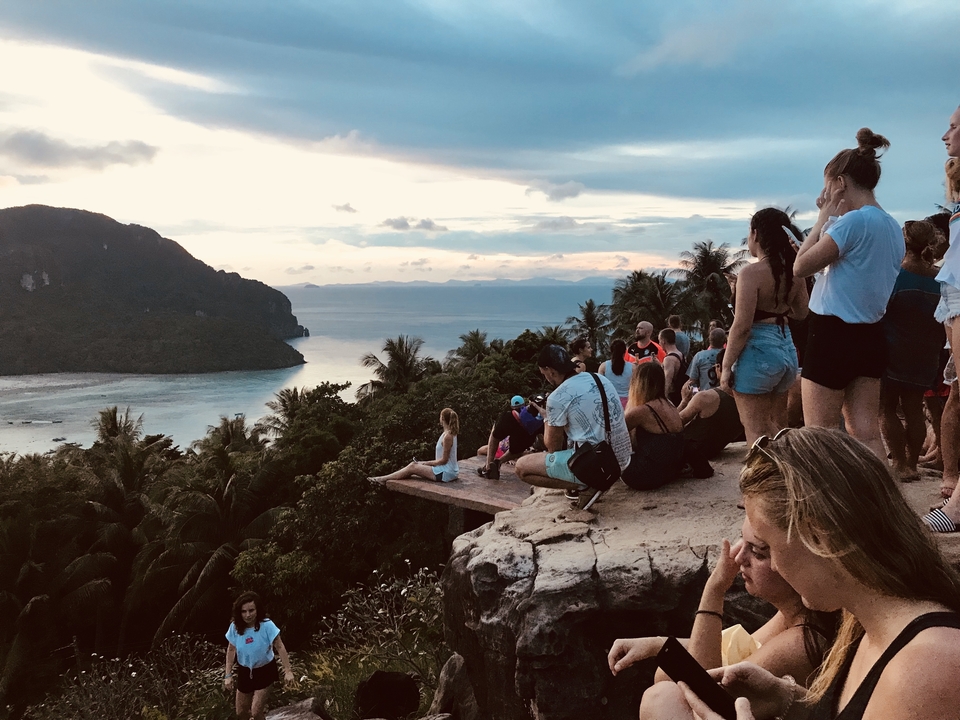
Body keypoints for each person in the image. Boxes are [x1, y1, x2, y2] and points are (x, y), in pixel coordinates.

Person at [648, 427, 960, 720]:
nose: (777, 566)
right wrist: (789, 699)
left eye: (766, 548)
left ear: (819, 538)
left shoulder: (925, 668)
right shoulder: (866, 621)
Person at [610, 517, 837, 688]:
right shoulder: (793, 613)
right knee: (666, 675)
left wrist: (714, 589)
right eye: (742, 541)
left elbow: (705, 689)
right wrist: (657, 644)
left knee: (660, 697)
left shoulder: (801, 642)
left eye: (757, 552)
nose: (738, 558)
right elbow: (731, 650)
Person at [794, 128, 905, 460]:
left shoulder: (852, 224)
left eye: (827, 184)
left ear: (840, 182)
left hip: (831, 333)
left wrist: (822, 218)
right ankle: (880, 505)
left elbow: (801, 267)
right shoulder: (892, 227)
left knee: (819, 434)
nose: (825, 192)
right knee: (866, 431)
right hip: (871, 333)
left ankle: (827, 509)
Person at [721, 208, 809, 445]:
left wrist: (727, 365)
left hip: (758, 352)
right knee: (777, 426)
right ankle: (783, 477)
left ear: (756, 234)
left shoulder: (750, 273)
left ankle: (764, 480)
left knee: (755, 431)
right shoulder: (795, 272)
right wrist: (779, 308)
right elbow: (802, 312)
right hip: (786, 349)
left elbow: (741, 326)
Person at [515, 345, 631, 508]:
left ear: (550, 371)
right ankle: (586, 480)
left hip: (600, 465)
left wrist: (547, 417)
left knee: (522, 467)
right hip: (622, 458)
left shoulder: (558, 397)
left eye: (544, 374)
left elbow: (552, 447)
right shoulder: (599, 378)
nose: (546, 378)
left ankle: (584, 486)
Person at [879, 220, 944, 482]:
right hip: (927, 353)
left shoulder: (896, 276)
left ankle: (901, 465)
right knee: (914, 408)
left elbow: (881, 311)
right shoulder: (939, 279)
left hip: (893, 350)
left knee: (886, 407)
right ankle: (913, 465)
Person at [224, 591, 295, 720]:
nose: (248, 615)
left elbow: (279, 646)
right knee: (241, 712)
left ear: (257, 610)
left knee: (256, 711)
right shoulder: (235, 628)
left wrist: (288, 670)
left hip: (265, 671)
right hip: (245, 672)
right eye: (244, 611)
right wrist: (228, 675)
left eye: (251, 610)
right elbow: (231, 650)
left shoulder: (267, 625)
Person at [678, 349, 745, 478]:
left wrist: (684, 401)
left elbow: (673, 425)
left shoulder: (706, 397)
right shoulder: (747, 402)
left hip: (691, 451)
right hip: (713, 450)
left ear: (719, 367)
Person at [621, 361, 684, 490]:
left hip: (645, 477)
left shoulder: (643, 411)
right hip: (671, 472)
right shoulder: (669, 404)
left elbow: (615, 434)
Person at [371, 408, 459, 482]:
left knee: (412, 467)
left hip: (446, 473)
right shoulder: (447, 433)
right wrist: (423, 463)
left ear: (442, 418)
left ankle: (383, 479)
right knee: (414, 465)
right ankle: (384, 478)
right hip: (445, 470)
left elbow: (444, 460)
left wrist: (425, 463)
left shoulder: (448, 436)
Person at [476, 396, 537, 479]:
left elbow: (494, 436)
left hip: (505, 446)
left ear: (511, 407)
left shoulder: (509, 416)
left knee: (494, 440)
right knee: (516, 450)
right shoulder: (533, 416)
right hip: (516, 443)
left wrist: (488, 463)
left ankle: (488, 468)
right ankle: (496, 463)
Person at [598, 338, 634, 408]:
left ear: (611, 351)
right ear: (625, 351)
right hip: (627, 403)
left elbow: (600, 386)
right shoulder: (633, 367)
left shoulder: (603, 366)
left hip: (609, 401)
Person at [658, 328, 687, 407]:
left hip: (673, 397)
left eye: (659, 340)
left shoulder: (669, 359)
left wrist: (663, 401)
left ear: (663, 341)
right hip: (681, 393)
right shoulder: (680, 354)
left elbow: (668, 381)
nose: (659, 343)